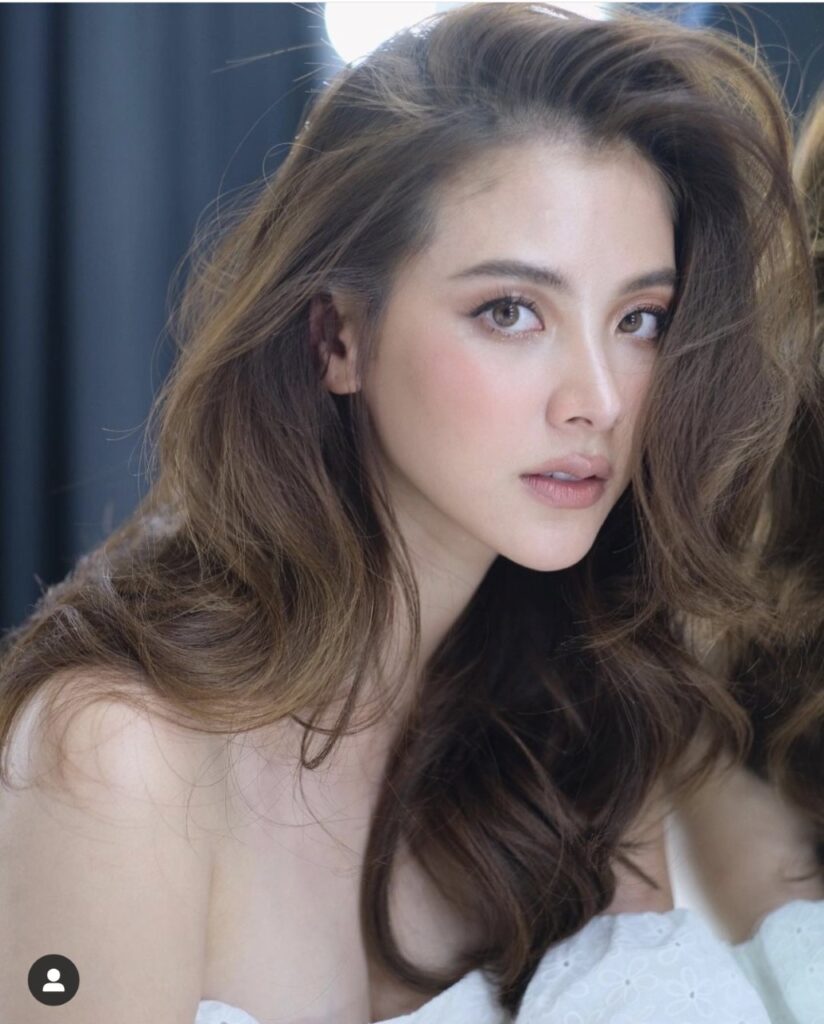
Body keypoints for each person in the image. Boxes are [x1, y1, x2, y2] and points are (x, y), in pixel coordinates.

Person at [0, 4, 816, 1023]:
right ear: (337, 338)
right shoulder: (121, 753)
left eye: (639, 319)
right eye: (510, 311)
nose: (599, 400)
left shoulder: (584, 718)